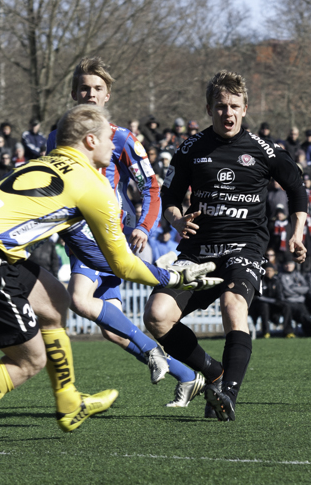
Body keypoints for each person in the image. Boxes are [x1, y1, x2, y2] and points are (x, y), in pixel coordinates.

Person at [0, 104, 218, 447]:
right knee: (29, 362)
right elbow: (123, 265)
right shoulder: (93, 185)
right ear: (88, 140)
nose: (112, 147)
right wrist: (174, 278)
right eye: (106, 140)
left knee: (55, 300)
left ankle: (69, 401)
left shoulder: (46, 159)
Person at [143, 70, 308, 422]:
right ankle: (215, 374)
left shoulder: (265, 151)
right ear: (208, 109)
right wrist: (175, 219)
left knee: (233, 306)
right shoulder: (189, 150)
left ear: (245, 108)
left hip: (243, 250)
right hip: (198, 254)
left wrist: (297, 232)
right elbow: (169, 197)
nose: (227, 113)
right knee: (156, 317)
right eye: (220, 106)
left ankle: (228, 394)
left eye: (234, 106)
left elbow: (297, 188)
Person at [46, 58, 200, 409]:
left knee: (81, 300)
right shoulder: (56, 137)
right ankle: (188, 376)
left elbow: (152, 186)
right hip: (76, 234)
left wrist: (145, 227)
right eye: (84, 88)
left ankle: (152, 351)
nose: (90, 93)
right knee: (112, 330)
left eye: (97, 88)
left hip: (106, 233)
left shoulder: (122, 138)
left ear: (107, 95)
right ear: (73, 93)